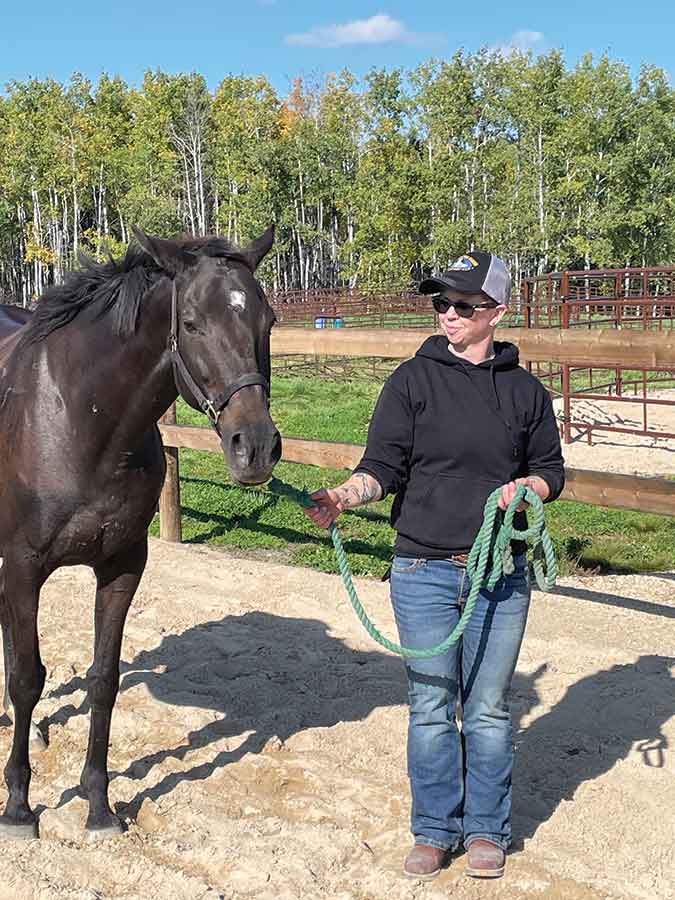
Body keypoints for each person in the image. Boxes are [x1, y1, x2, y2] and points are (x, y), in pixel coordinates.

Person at [305, 251, 564, 880]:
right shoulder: (411, 382)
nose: (449, 315)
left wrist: (527, 487)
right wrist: (343, 496)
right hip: (421, 569)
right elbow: (383, 467)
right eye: (441, 303)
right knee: (430, 705)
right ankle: (434, 829)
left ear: (497, 313)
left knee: (488, 708)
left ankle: (485, 831)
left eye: (463, 306)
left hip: (498, 574)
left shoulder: (526, 392)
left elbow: (552, 472)